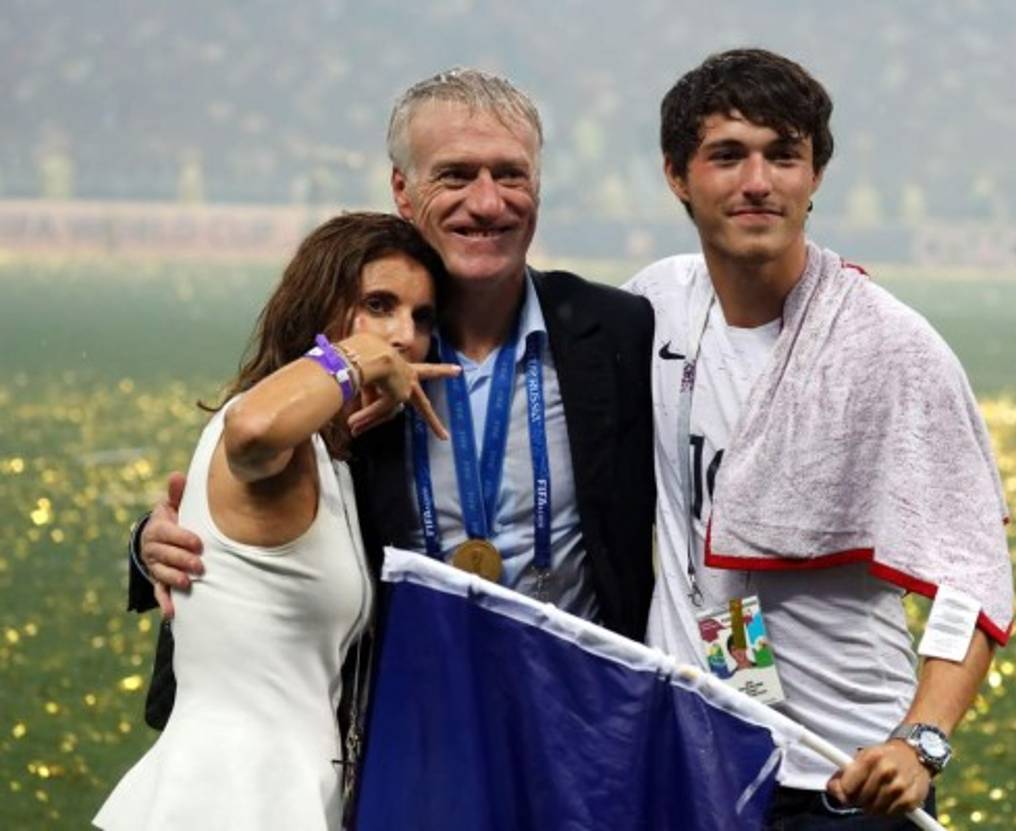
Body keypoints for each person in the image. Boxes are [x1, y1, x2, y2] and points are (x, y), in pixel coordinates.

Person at [126, 69, 655, 735]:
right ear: (402, 190)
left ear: (539, 184)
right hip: (405, 733)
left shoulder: (617, 333)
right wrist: (152, 544)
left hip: (583, 726)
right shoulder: (346, 343)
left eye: (511, 174)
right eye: (456, 175)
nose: (488, 202)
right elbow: (247, 465)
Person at [626, 49, 1014, 828]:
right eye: (727, 155)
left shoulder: (891, 347)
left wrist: (921, 740)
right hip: (691, 759)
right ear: (678, 175)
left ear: (816, 175)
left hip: (844, 773)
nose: (758, 182)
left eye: (784, 155)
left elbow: (971, 574)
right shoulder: (654, 306)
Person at [96, 213, 459, 829]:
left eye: (421, 318)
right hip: (224, 801)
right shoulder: (276, 442)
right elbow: (256, 428)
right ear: (318, 307)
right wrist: (359, 356)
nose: (402, 335)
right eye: (378, 305)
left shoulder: (331, 459)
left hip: (274, 798)